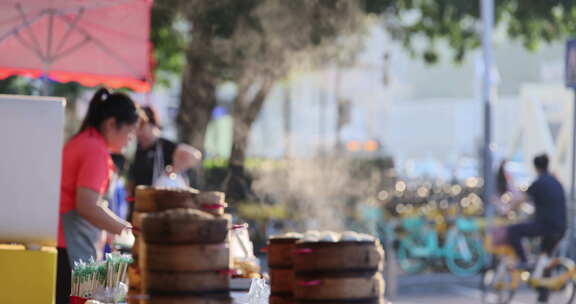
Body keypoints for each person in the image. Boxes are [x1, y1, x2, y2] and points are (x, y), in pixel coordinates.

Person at [56, 88, 141, 304]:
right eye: (130, 131)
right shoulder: (94, 150)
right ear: (112, 124)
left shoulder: (83, 141)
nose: (131, 139)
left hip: (67, 247)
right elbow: (87, 205)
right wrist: (129, 230)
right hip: (70, 250)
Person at [126, 106, 201, 221]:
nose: (138, 132)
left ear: (152, 125)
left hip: (158, 209)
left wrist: (175, 169)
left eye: (141, 127)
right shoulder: (137, 148)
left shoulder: (164, 146)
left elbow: (195, 155)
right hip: (138, 207)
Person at [506, 154, 566, 269]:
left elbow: (520, 200)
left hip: (546, 226)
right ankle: (543, 280)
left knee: (513, 230)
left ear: (535, 167)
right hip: (561, 227)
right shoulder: (555, 181)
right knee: (543, 259)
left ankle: (524, 260)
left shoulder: (539, 182)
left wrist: (507, 209)